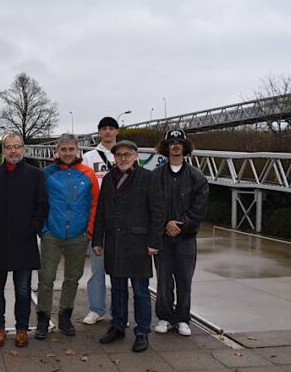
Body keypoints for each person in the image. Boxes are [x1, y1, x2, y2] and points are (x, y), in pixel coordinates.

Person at [93, 140, 164, 353]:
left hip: (139, 244)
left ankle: (142, 332)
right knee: (118, 288)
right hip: (115, 242)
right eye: (119, 155)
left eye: (128, 154)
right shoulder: (108, 179)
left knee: (141, 291)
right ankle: (118, 326)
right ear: (114, 157)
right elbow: (102, 212)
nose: (123, 158)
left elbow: (157, 212)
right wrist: (97, 239)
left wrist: (154, 242)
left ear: (135, 156)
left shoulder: (148, 178)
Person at [0, 133, 49, 347]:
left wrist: (33, 228)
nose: (13, 151)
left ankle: (21, 329)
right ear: (4, 150)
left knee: (23, 290)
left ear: (24, 149)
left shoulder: (35, 175)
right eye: (8, 147)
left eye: (17, 146)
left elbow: (42, 206)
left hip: (24, 241)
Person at [35, 134, 99, 340]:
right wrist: (43, 229)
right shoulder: (47, 173)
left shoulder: (87, 174)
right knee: (46, 278)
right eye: (64, 149)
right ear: (57, 150)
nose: (68, 153)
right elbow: (38, 202)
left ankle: (65, 316)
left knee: (72, 278)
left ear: (77, 150)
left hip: (78, 236)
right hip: (52, 234)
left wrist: (88, 231)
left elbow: (95, 204)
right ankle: (43, 318)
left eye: (71, 149)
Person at [153, 129, 209, 337]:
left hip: (186, 239)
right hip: (163, 238)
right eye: (171, 142)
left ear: (185, 147)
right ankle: (165, 318)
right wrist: (165, 224)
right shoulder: (156, 176)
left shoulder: (197, 177)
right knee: (164, 279)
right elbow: (153, 205)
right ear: (166, 147)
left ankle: (183, 319)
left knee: (184, 280)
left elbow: (199, 208)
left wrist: (181, 226)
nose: (175, 146)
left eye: (179, 142)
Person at [81, 116, 119, 325]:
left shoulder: (124, 155)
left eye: (111, 128)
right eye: (104, 129)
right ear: (99, 132)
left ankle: (117, 310)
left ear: (117, 131)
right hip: (97, 220)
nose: (107, 132)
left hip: (120, 222)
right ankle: (97, 308)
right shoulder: (89, 157)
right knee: (97, 269)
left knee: (119, 269)